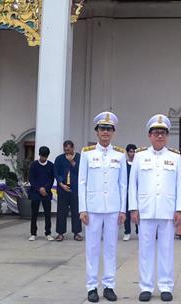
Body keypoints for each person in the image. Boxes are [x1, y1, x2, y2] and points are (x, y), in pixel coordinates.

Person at [129, 114, 181, 302]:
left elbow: (180, 185)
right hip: (145, 210)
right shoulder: (139, 156)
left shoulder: (175, 157)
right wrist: (133, 208)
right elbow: (132, 185)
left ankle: (165, 286)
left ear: (167, 136)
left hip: (167, 210)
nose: (159, 136)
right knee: (145, 249)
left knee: (166, 249)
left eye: (163, 133)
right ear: (149, 135)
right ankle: (145, 286)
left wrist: (179, 209)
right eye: (156, 133)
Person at [78, 112, 127, 303]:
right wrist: (83, 208)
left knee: (110, 248)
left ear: (113, 132)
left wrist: (123, 209)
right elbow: (82, 182)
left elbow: (123, 184)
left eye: (109, 129)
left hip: (113, 209)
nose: (105, 132)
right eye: (102, 129)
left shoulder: (120, 155)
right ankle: (91, 287)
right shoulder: (87, 153)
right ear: (96, 132)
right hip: (92, 209)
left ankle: (109, 286)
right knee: (92, 249)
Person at [54, 140, 82, 241]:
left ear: (73, 148)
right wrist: (61, 184)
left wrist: (72, 162)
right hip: (63, 189)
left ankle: (77, 233)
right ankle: (60, 233)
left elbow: (81, 171)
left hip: (75, 189)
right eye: (65, 150)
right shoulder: (59, 159)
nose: (67, 152)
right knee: (61, 212)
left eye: (69, 150)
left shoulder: (79, 157)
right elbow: (56, 173)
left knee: (76, 212)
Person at [28, 146, 55, 241]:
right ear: (39, 155)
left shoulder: (51, 165)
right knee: (34, 214)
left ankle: (48, 233)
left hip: (46, 193)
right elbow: (31, 179)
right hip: (35, 192)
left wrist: (45, 189)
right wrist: (39, 188)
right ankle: (33, 233)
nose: (44, 158)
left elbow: (51, 179)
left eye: (45, 157)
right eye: (42, 156)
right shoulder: (34, 165)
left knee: (48, 214)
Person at [123, 143, 137, 241]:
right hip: (127, 192)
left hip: (137, 192)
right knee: (127, 213)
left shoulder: (138, 164)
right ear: (127, 153)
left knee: (137, 211)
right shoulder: (124, 164)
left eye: (134, 152)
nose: (132, 154)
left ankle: (138, 231)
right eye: (130, 151)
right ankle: (127, 232)